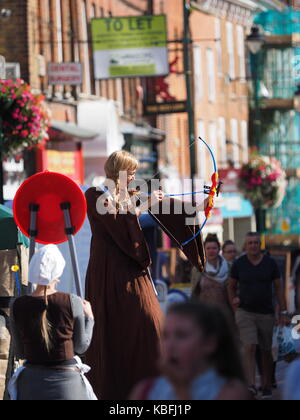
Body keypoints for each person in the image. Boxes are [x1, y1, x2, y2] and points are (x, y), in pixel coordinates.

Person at [85, 150, 163, 400]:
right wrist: (141, 207)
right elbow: (118, 221)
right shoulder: (96, 195)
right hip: (109, 273)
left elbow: (132, 208)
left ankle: (151, 388)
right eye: (130, 173)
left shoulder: (125, 195)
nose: (133, 178)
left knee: (150, 325)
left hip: (130, 270)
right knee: (122, 329)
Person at [9, 245, 96, 401]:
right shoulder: (72, 302)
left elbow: (20, 352)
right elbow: (81, 346)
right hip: (67, 385)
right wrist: (89, 318)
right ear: (58, 273)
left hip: (30, 385)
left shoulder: (17, 305)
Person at [131, 302, 250, 400]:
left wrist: (182, 389)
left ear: (209, 343)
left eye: (181, 336)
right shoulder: (145, 390)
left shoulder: (231, 392)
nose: (169, 345)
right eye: (165, 336)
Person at [228, 232, 289, 400]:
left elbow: (278, 288)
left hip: (266, 313)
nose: (253, 245)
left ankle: (267, 384)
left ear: (260, 244)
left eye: (256, 242)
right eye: (250, 243)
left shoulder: (270, 264)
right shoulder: (239, 264)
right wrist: (234, 302)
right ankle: (250, 385)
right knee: (249, 346)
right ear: (245, 245)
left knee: (266, 350)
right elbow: (231, 286)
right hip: (245, 312)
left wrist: (283, 311)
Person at [191, 234, 230, 311]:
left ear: (219, 249)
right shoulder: (198, 269)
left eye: (214, 248)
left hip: (224, 312)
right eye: (208, 248)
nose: (211, 251)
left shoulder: (229, 267)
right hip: (205, 311)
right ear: (204, 250)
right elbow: (194, 292)